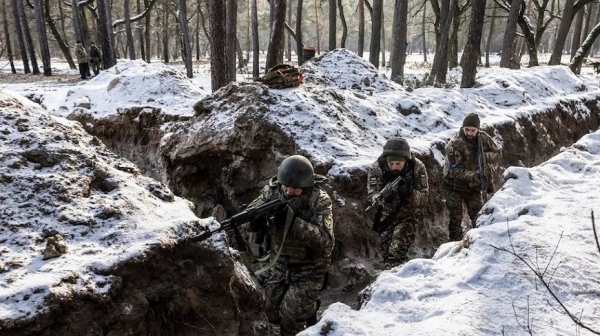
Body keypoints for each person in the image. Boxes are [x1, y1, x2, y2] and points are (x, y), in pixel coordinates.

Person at [247, 155, 334, 336]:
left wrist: (292, 222)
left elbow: (325, 241)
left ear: (306, 187)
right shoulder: (272, 191)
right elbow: (251, 213)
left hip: (309, 269)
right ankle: (308, 308)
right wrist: (255, 222)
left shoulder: (320, 200)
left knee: (290, 318)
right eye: (286, 187)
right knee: (270, 312)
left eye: (295, 189)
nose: (288, 192)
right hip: (280, 264)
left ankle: (307, 311)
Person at [367, 137, 429, 268]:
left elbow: (425, 197)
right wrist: (379, 198)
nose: (394, 167)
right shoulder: (377, 168)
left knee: (396, 252)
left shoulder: (417, 167)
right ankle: (397, 274)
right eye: (391, 164)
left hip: (409, 214)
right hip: (387, 215)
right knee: (386, 253)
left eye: (398, 164)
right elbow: (372, 192)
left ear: (405, 161)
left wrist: (409, 193)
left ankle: (393, 280)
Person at [442, 113, 501, 241]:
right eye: (467, 129)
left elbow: (497, 153)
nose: (469, 133)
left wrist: (484, 157)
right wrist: (473, 175)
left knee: (477, 215)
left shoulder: (483, 138)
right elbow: (454, 171)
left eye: (473, 130)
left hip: (473, 186)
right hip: (454, 186)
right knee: (456, 217)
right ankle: (454, 246)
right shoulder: (455, 144)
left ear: (478, 130)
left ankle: (479, 241)